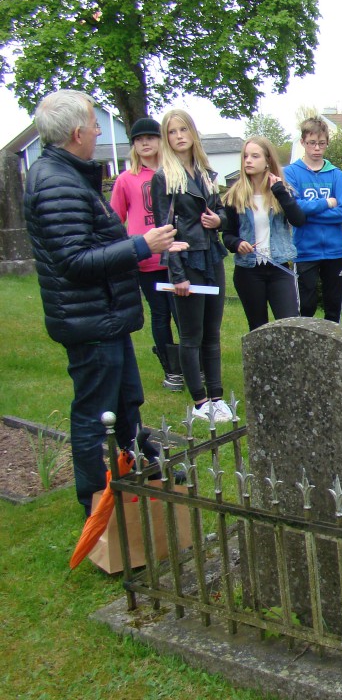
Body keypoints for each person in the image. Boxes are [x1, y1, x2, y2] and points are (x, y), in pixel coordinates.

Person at [23, 90, 184, 516]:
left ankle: (138, 474)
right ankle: (96, 501)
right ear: (77, 132)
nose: (98, 131)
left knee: (127, 401)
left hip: (104, 315)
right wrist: (139, 245)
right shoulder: (56, 183)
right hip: (89, 319)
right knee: (96, 413)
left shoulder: (69, 175)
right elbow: (74, 262)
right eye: (94, 124)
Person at [150, 109, 233, 424]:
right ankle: (200, 402)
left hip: (211, 256)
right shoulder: (164, 178)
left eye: (183, 129)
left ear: (193, 133)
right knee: (191, 335)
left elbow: (224, 213)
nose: (179, 136)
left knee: (212, 332)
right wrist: (178, 275)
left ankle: (217, 396)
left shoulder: (207, 173)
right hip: (186, 260)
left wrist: (219, 220)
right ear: (166, 139)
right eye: (172, 132)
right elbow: (164, 230)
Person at [110, 117, 182, 391]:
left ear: (160, 140)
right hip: (146, 259)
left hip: (175, 255)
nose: (144, 143)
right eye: (139, 139)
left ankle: (190, 363)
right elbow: (115, 220)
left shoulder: (173, 172)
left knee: (181, 312)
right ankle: (171, 369)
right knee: (160, 313)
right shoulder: (126, 180)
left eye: (150, 137)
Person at [222, 137, 307, 331]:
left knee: (289, 325)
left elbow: (298, 220)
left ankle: (286, 362)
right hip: (249, 270)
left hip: (279, 266)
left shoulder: (282, 191)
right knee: (258, 328)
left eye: (254, 156)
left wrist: (280, 192)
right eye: (245, 157)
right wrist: (237, 244)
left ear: (268, 160)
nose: (248, 161)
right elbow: (227, 235)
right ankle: (260, 362)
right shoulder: (234, 196)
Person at [284, 116, 342, 323]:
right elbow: (294, 209)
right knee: (306, 305)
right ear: (303, 142)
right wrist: (325, 203)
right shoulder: (291, 173)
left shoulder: (337, 175)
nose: (317, 148)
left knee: (333, 307)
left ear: (327, 143)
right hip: (305, 251)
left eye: (321, 143)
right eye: (312, 143)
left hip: (334, 250)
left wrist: (308, 213)